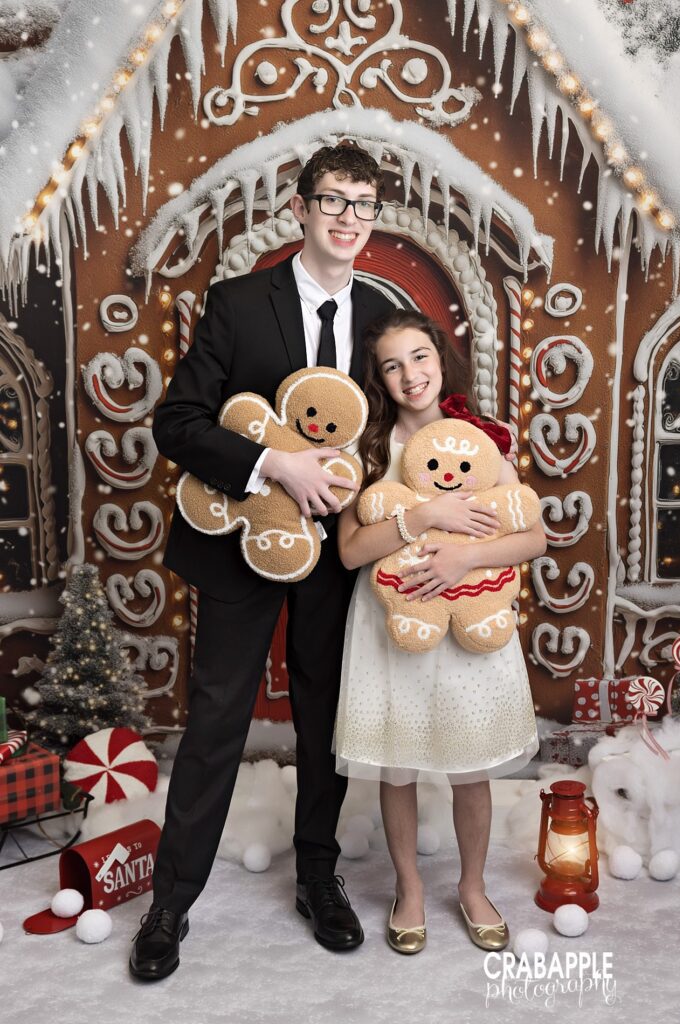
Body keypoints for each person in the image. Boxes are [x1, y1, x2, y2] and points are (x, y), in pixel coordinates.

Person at [129, 145, 395, 980]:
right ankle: (171, 900)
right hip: (239, 542)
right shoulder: (239, 302)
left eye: (363, 203)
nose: (348, 217)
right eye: (333, 200)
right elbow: (177, 421)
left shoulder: (381, 312)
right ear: (299, 208)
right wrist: (273, 464)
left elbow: (401, 423)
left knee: (324, 717)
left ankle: (318, 877)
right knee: (216, 719)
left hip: (337, 552)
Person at [334, 309, 546, 955]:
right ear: (378, 378)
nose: (410, 375)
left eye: (419, 357)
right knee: (396, 766)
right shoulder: (368, 447)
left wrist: (463, 558)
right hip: (392, 621)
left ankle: (473, 887)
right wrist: (424, 515)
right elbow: (349, 550)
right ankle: (410, 890)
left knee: (470, 766)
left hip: (470, 617)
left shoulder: (480, 438)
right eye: (392, 365)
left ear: (440, 358)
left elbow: (532, 536)